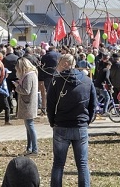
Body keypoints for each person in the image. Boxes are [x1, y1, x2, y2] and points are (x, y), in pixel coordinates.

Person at [47, 53, 97, 187]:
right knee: (82, 164)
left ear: (65, 64)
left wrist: (52, 121)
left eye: (59, 64)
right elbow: (93, 105)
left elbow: (50, 105)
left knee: (58, 164)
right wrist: (87, 121)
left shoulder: (56, 81)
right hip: (78, 125)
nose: (57, 67)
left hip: (63, 125)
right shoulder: (86, 81)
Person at [14, 57, 39, 155]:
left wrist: (17, 87)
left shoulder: (29, 76)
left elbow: (26, 91)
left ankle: (34, 149)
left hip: (28, 105)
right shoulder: (32, 74)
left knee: (30, 126)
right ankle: (29, 148)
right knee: (28, 127)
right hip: (28, 104)